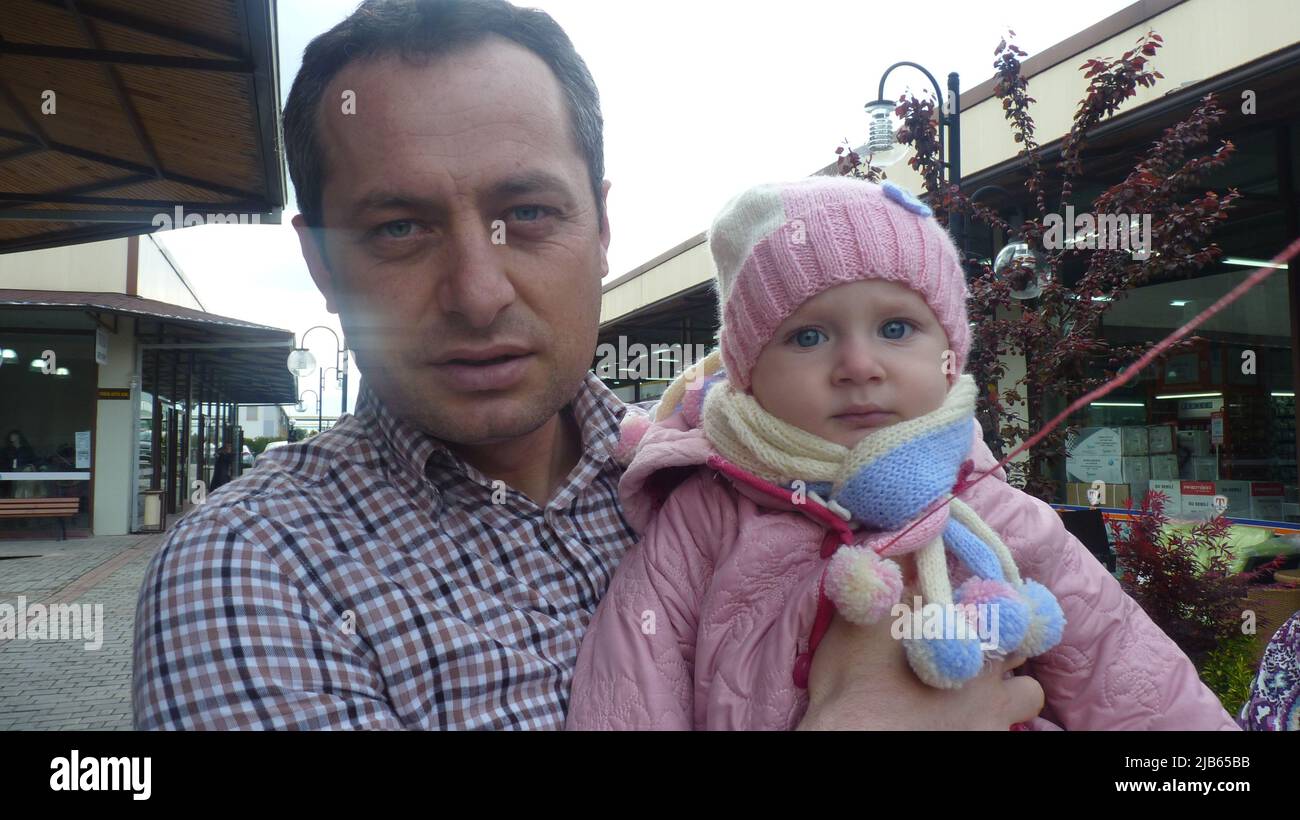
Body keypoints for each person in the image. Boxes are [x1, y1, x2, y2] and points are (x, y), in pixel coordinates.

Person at [133, 0, 1040, 730]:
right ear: (323, 265)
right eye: (399, 228)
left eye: (526, 213)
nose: (478, 291)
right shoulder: (251, 571)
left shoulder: (759, 464)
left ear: (602, 229)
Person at [567, 178, 1240, 730]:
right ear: (747, 373)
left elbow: (1136, 685)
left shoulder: (996, 515)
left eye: (896, 327)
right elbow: (628, 692)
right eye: (807, 337)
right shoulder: (704, 521)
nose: (859, 365)